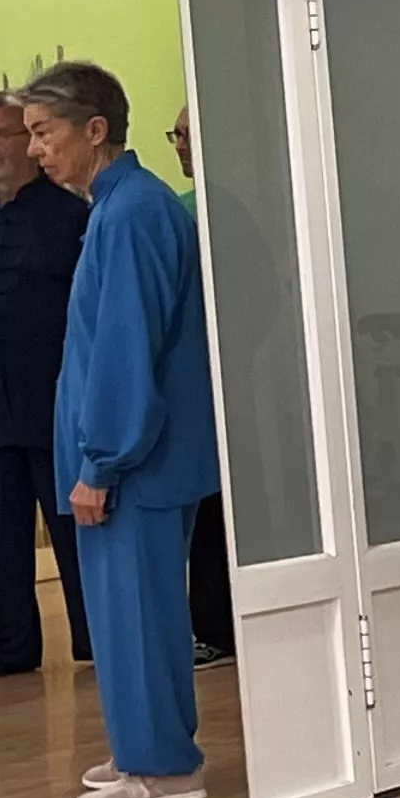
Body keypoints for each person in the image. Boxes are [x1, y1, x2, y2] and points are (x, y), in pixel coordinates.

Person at [23, 61, 219, 798]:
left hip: (137, 462)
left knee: (138, 616)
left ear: (94, 129)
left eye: (45, 133)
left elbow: (125, 347)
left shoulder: (134, 213)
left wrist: (102, 460)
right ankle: (144, 746)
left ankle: (163, 766)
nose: (37, 149)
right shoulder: (121, 207)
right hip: (136, 457)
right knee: (129, 613)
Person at [0, 88, 93, 683]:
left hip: (53, 399)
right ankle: (8, 645)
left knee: (72, 530)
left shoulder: (71, 217)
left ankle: (93, 635)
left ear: (31, 146)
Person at [165, 104, 234, 668]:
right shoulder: (174, 211)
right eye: (176, 136)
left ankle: (219, 627)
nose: (180, 146)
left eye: (188, 134)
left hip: (234, 382)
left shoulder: (230, 209)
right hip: (192, 380)